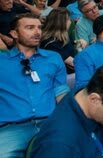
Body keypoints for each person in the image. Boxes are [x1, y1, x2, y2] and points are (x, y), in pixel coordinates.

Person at [0, 13, 69, 157]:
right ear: (14, 33)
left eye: (39, 28)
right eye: (30, 28)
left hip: (49, 124)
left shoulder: (53, 58)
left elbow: (61, 94)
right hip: (12, 128)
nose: (37, 32)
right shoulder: (2, 61)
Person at [40, 8, 78, 86]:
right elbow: (74, 63)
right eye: (68, 19)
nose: (70, 22)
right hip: (58, 80)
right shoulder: (51, 43)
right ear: (61, 22)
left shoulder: (60, 38)